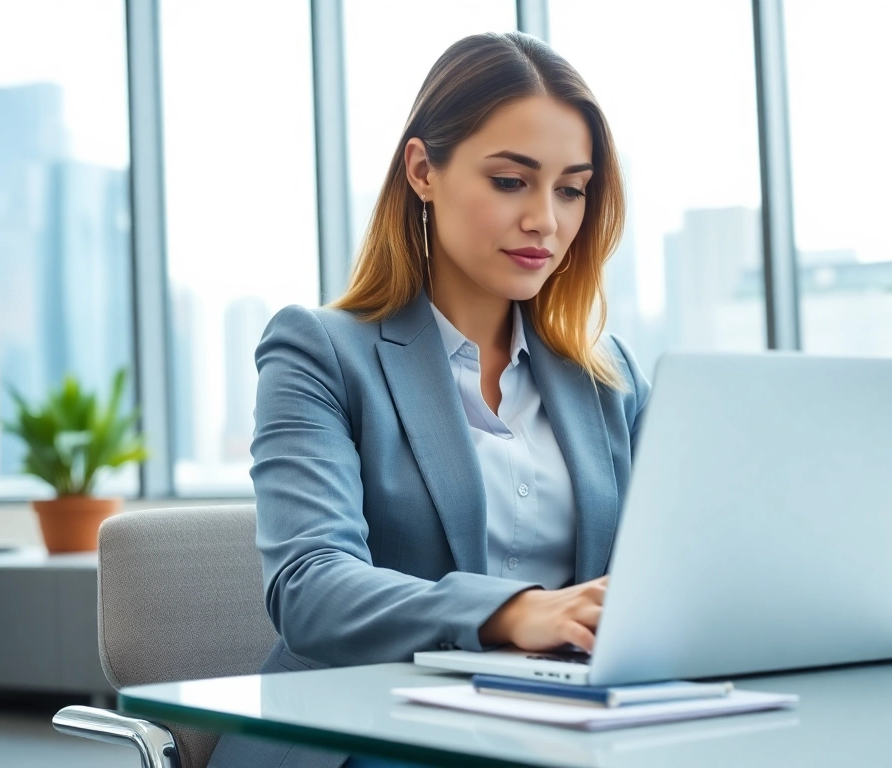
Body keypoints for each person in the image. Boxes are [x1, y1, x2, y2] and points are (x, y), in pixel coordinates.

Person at [208, 30, 649, 768]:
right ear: (422, 170)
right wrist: (513, 613)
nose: (546, 218)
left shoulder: (609, 379)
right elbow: (310, 588)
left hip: (556, 728)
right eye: (512, 181)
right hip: (366, 732)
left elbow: (665, 572)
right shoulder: (318, 351)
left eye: (571, 189)